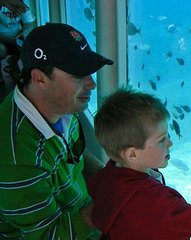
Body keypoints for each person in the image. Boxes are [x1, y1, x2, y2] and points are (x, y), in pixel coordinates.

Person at [88, 88, 191, 240]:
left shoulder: (108, 177)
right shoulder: (152, 200)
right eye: (161, 140)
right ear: (132, 154)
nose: (170, 143)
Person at [0, 23, 113, 239]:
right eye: (78, 75)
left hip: (80, 214)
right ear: (40, 78)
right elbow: (48, 236)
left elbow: (73, 157)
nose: (91, 84)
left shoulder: (60, 106)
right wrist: (110, 205)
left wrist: (117, 178)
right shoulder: (18, 160)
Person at [0, 0, 35, 83]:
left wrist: (23, 34)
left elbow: (29, 23)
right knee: (1, 50)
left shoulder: (23, 3)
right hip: (1, 38)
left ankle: (12, 64)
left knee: (26, 47)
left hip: (16, 36)